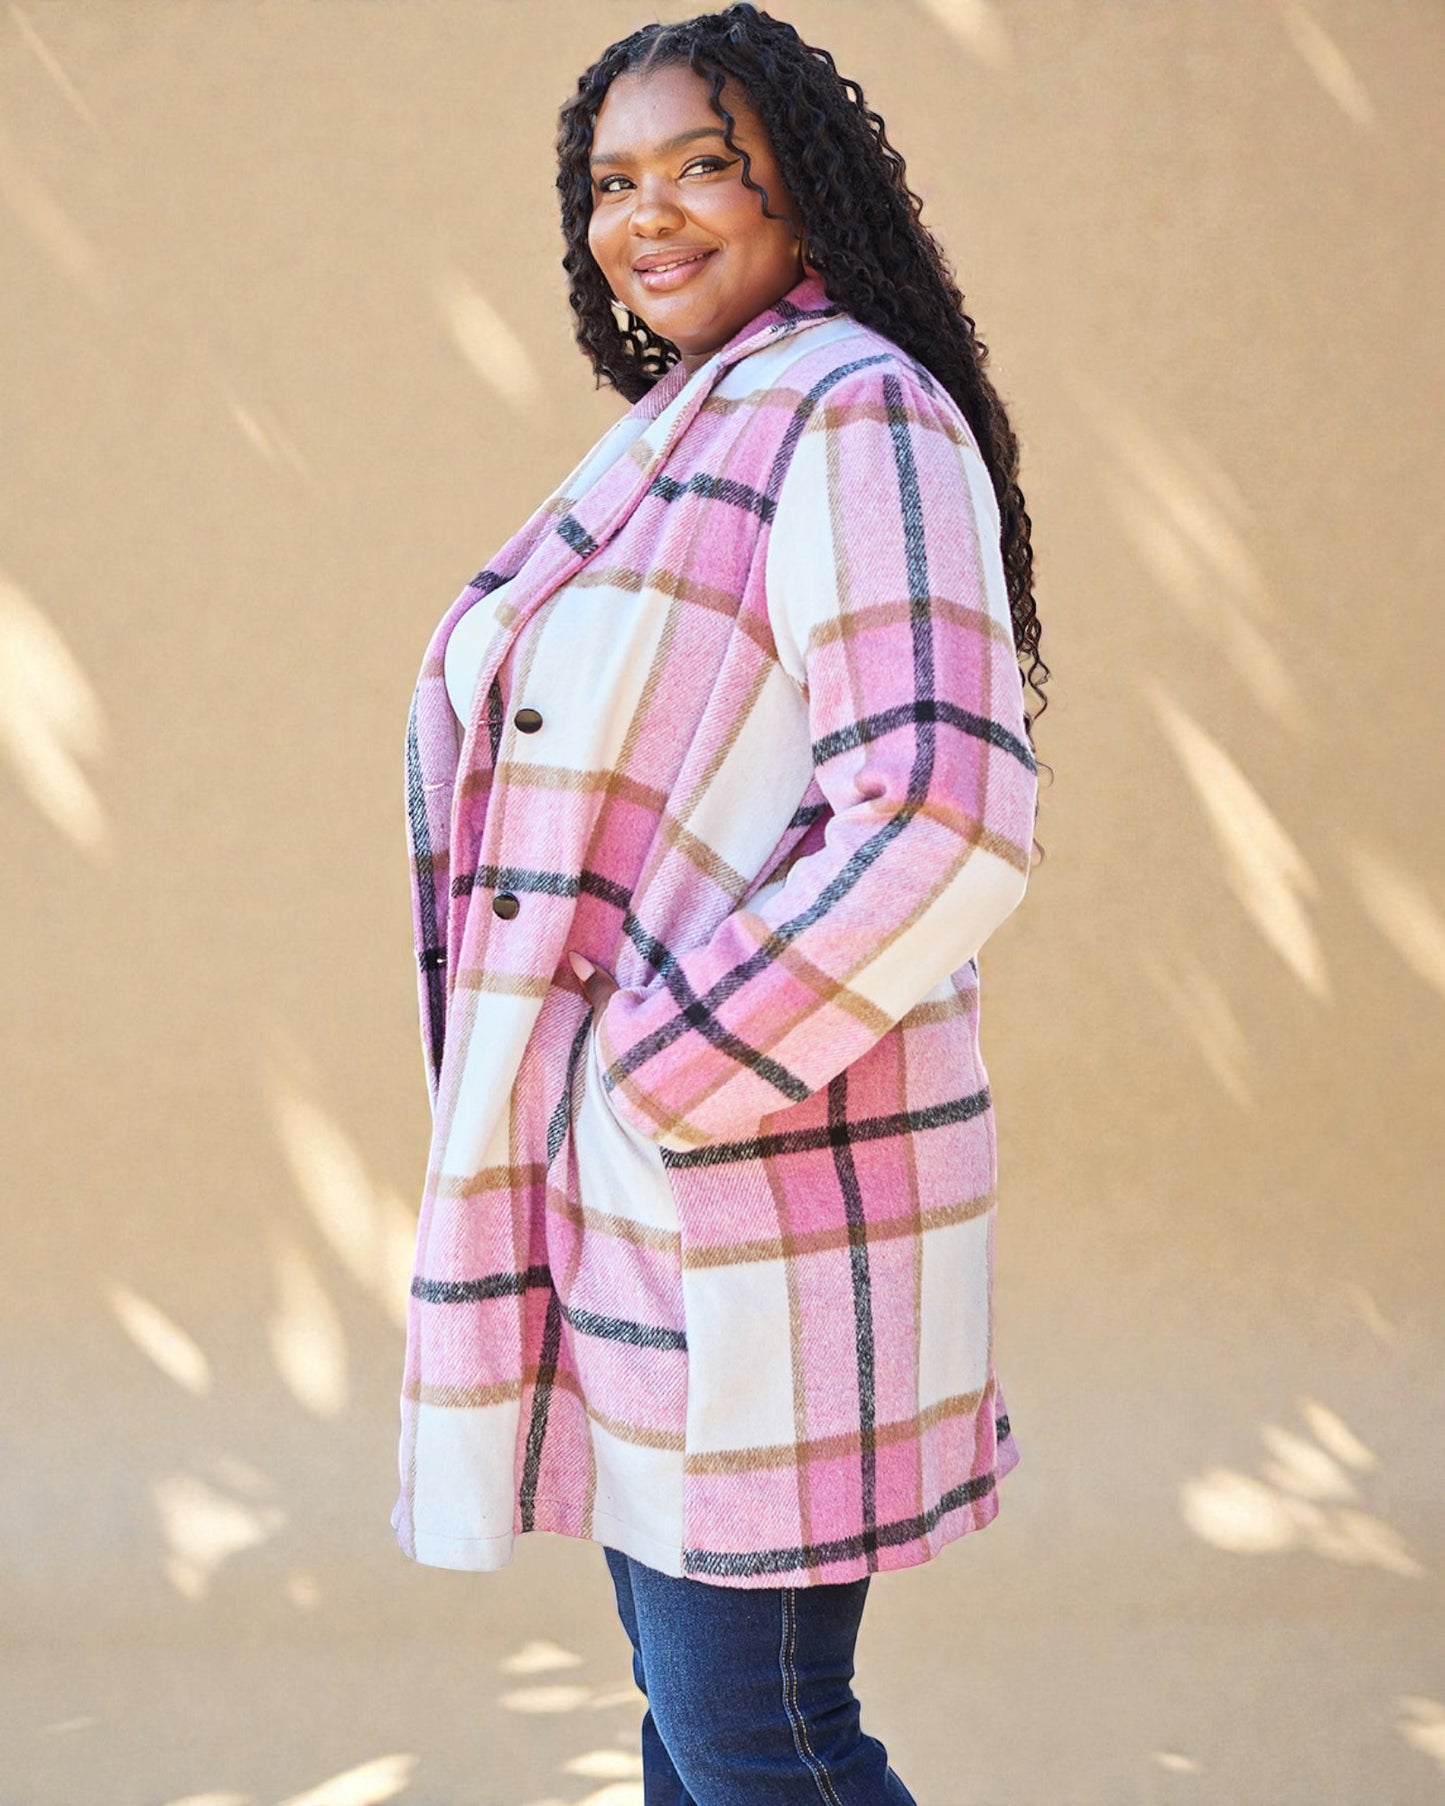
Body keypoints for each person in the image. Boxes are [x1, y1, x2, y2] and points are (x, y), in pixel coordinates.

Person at [392, 6, 1051, 1799]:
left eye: (703, 164)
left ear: (804, 193)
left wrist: (649, 1085)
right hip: (652, 1204)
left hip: (750, 1185)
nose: (647, 214)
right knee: (696, 1724)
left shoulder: (854, 407)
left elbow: (940, 809)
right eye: (614, 180)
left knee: (760, 1726)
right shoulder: (692, 421)